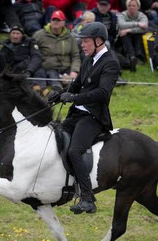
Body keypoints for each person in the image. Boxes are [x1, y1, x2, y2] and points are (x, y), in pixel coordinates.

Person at [48, 22, 120, 214]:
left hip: (93, 117)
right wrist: (59, 94)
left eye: (85, 41)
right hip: (77, 114)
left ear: (98, 41)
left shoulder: (110, 62)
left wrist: (74, 98)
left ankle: (88, 199)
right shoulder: (88, 60)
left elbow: (103, 93)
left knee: (74, 151)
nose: (82, 44)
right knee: (54, 141)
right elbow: (77, 85)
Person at [0, 24, 45, 93]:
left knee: (39, 71)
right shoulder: (6, 45)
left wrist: (29, 70)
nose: (15, 36)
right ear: (10, 35)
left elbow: (36, 57)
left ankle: (42, 91)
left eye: (18, 33)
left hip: (27, 68)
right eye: (13, 33)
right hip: (13, 71)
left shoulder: (30, 42)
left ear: (22, 35)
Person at [33, 10, 80, 92]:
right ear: (50, 21)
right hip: (48, 68)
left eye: (58, 20)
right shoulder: (39, 35)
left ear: (63, 22)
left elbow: (75, 56)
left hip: (66, 69)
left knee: (75, 84)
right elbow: (33, 52)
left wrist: (74, 71)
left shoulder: (70, 37)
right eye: (53, 19)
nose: (55, 22)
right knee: (52, 75)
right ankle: (55, 88)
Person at [117, 0, 148, 72]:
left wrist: (128, 30)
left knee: (137, 34)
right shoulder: (122, 15)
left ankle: (138, 56)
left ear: (138, 7)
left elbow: (144, 28)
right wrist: (137, 24)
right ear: (127, 7)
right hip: (123, 39)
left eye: (133, 6)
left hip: (137, 37)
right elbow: (121, 25)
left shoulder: (142, 16)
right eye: (129, 6)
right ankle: (132, 56)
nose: (131, 7)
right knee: (124, 34)